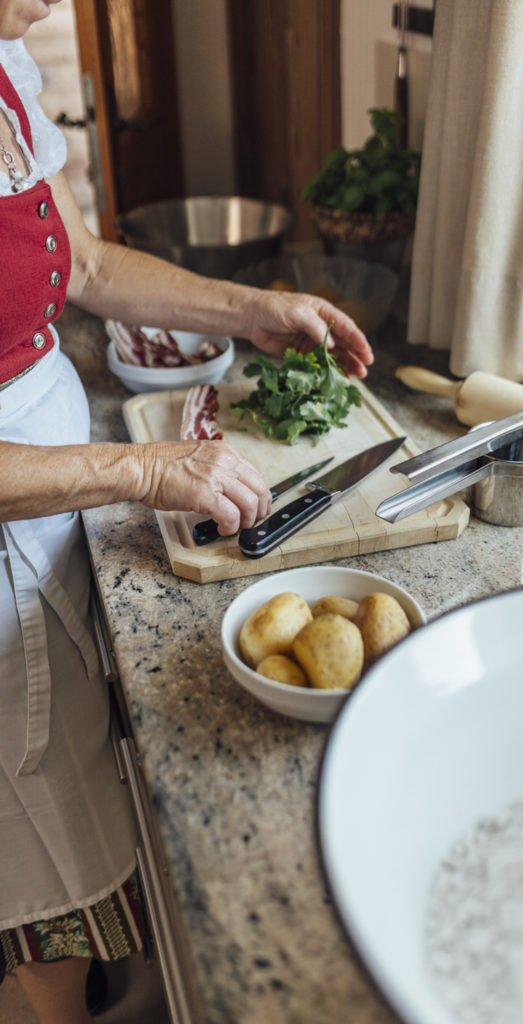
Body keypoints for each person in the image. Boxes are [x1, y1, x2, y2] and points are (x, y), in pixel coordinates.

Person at [0, 2, 374, 1022]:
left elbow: (84, 267)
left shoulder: (5, 70)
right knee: (33, 825)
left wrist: (250, 309)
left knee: (66, 781)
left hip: (52, 500)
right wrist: (146, 468)